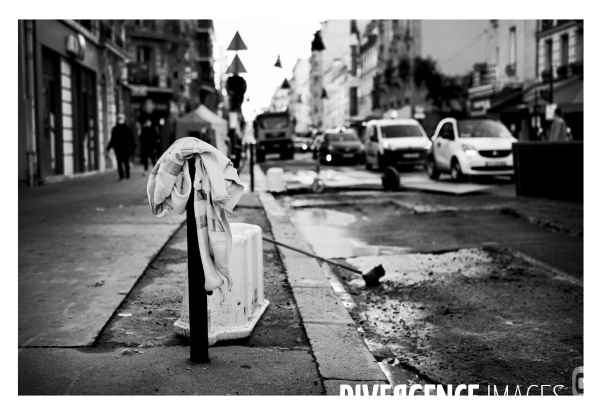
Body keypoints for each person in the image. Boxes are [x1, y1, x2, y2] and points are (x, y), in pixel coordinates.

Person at [106, 113, 136, 182]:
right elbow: (112, 139)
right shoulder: (115, 129)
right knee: (119, 163)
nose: (120, 120)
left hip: (126, 149)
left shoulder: (128, 129)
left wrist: (133, 147)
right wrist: (108, 147)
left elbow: (132, 139)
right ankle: (121, 176)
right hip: (118, 149)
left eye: (121, 118)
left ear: (124, 119)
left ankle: (127, 175)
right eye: (119, 119)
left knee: (126, 162)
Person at [138, 110, 160, 176]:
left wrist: (155, 147)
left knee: (153, 159)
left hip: (151, 147)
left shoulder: (153, 130)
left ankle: (156, 170)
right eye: (147, 122)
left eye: (149, 122)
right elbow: (141, 138)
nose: (148, 123)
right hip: (144, 147)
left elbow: (156, 139)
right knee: (145, 159)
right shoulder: (143, 129)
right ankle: (146, 170)